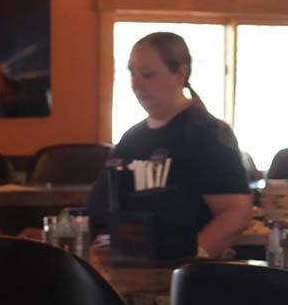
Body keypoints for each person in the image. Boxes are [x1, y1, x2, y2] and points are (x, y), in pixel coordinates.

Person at [89, 32, 252, 257]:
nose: (137, 85)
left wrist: (187, 264)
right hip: (119, 268)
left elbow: (236, 213)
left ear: (180, 73)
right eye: (132, 74)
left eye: (147, 75)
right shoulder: (131, 138)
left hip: (171, 277)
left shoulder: (206, 133)